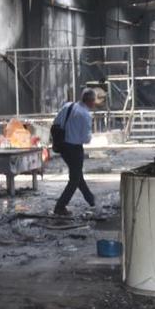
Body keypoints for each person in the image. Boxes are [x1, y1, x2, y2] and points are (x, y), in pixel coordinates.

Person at [53, 88, 97, 216]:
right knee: (75, 179)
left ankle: (91, 200)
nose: (94, 103)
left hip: (63, 147)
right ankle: (60, 206)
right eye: (94, 100)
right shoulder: (85, 115)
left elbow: (56, 123)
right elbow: (86, 139)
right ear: (89, 101)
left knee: (77, 176)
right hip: (75, 149)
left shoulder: (68, 106)